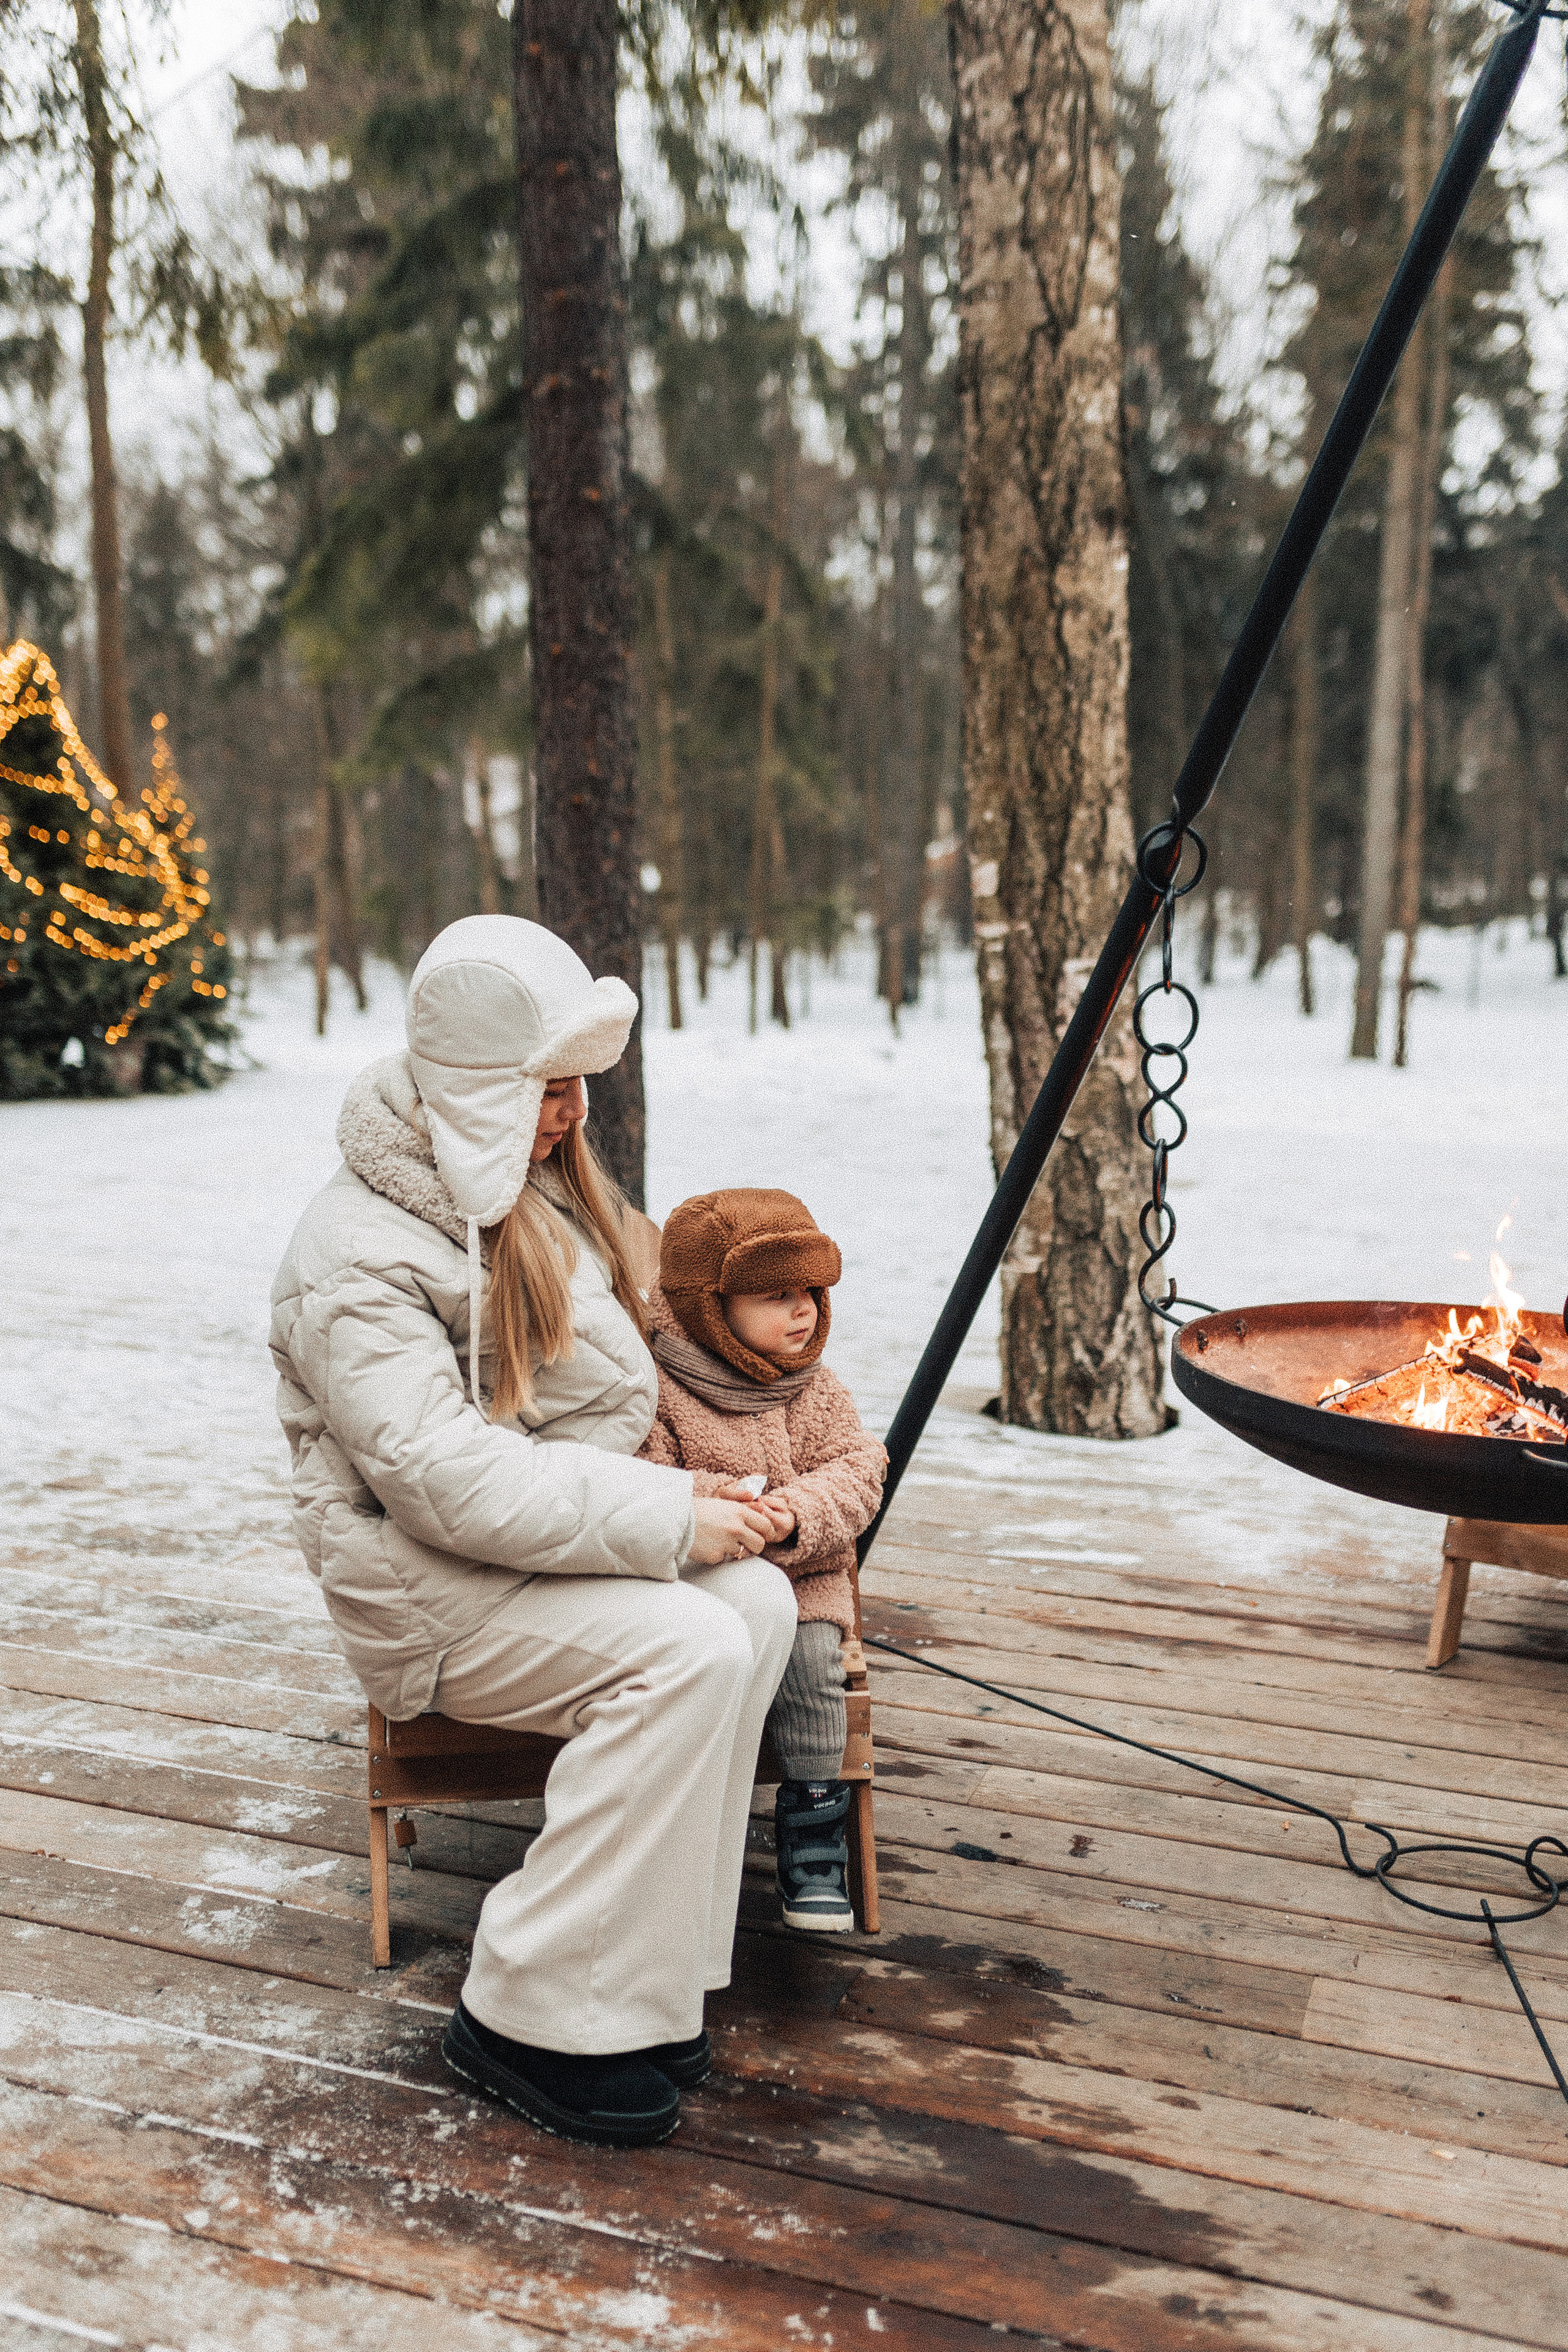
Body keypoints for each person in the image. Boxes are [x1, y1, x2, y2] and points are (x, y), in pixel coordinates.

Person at [269, 916, 797, 2149]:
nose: (567, 1111)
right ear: (471, 1087)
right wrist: (667, 1517)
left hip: (525, 1552)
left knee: (756, 1611)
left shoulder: (513, 1185)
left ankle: (645, 1988)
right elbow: (441, 1481)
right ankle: (524, 2009)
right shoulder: (355, 1258)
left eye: (572, 1086)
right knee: (686, 1650)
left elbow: (610, 1366)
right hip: (429, 1593)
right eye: (543, 1087)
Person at [636, 1189, 886, 1932]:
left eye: (810, 1292)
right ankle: (683, 1815)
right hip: (702, 1578)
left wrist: (799, 1512)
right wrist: (733, 1501)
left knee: (815, 1669)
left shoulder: (811, 1386)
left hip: (803, 1576)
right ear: (710, 1307)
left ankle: (813, 1832)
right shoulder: (659, 1387)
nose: (804, 1311)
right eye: (777, 1296)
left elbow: (858, 1467)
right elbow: (649, 1474)